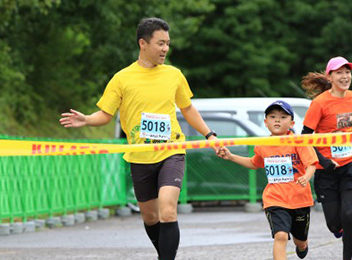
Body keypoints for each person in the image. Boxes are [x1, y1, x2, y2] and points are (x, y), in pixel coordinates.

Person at [60, 17, 218, 260]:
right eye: (160, 43)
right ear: (143, 43)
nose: (165, 49)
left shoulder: (174, 75)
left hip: (171, 151)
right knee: (151, 217)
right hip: (140, 156)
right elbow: (105, 114)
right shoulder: (122, 78)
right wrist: (86, 120)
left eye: (168, 43)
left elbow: (187, 109)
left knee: (167, 210)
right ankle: (164, 253)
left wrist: (209, 134)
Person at [217, 100, 318, 260]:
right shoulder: (263, 145)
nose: (277, 120)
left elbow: (311, 164)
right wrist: (231, 157)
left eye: (283, 117)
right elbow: (253, 163)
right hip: (275, 199)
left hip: (299, 200)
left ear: (291, 122)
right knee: (281, 236)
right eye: (272, 116)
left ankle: (302, 245)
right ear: (265, 122)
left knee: (300, 240)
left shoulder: (298, 141)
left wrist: (306, 177)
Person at [301, 56, 352, 260]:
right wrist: (324, 160)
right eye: (339, 73)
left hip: (351, 164)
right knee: (334, 224)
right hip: (326, 169)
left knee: (349, 215)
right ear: (330, 76)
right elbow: (305, 138)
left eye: (348, 72)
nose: (345, 76)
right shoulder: (319, 104)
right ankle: (340, 230)